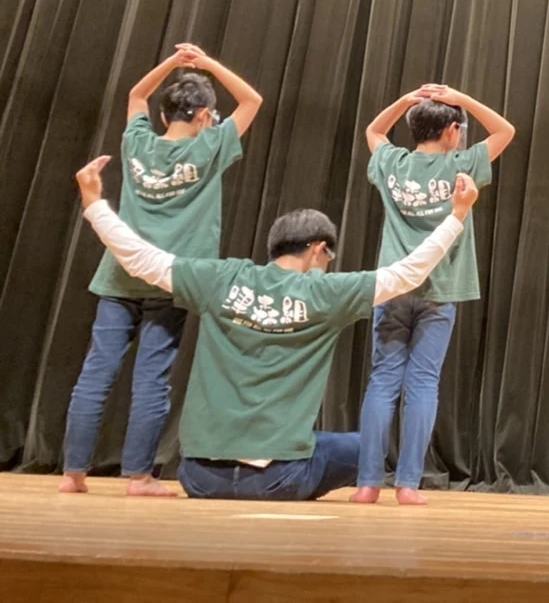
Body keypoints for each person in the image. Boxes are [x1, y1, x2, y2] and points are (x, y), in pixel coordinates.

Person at [72, 154, 479, 501]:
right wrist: (457, 215)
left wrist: (94, 204)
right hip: (278, 480)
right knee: (364, 448)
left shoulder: (220, 279)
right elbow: (409, 273)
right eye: (328, 256)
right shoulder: (327, 293)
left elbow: (140, 258)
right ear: (319, 249)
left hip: (198, 478)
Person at [60, 44, 262, 497]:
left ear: (166, 112)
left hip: (119, 276)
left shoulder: (137, 143)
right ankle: (138, 477)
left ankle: (73, 474)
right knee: (152, 376)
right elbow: (252, 101)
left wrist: (172, 63)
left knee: (97, 371)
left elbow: (135, 96)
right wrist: (207, 62)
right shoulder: (211, 146)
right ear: (206, 115)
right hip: (173, 280)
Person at [352, 84, 515, 506]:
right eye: (458, 128)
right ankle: (407, 485)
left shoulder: (392, 163)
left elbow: (373, 131)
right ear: (450, 132)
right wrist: (464, 98)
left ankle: (368, 484)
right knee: (423, 382)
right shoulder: (460, 165)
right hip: (440, 290)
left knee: (382, 381)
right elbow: (505, 131)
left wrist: (405, 102)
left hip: (392, 286)